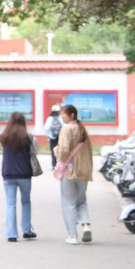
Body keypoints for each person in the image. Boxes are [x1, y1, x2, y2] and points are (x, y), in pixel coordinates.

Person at [53, 104, 93, 245]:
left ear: (72, 115)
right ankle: (86, 226)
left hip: (70, 171)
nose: (61, 117)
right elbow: (89, 151)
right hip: (83, 170)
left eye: (63, 114)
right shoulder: (82, 129)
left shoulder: (66, 129)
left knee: (69, 203)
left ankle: (73, 235)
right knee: (81, 200)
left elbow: (63, 150)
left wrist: (56, 151)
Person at [0, 112, 37, 243]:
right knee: (26, 202)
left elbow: (3, 151)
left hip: (8, 174)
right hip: (25, 174)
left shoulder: (3, 137)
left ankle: (11, 234)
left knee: (10, 204)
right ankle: (27, 230)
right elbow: (34, 152)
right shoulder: (28, 137)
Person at [44, 104, 64, 169]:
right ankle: (60, 165)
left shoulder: (49, 119)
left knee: (53, 152)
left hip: (52, 137)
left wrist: (48, 136)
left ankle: (54, 165)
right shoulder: (60, 118)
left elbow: (46, 128)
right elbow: (64, 127)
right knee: (60, 151)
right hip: (60, 137)